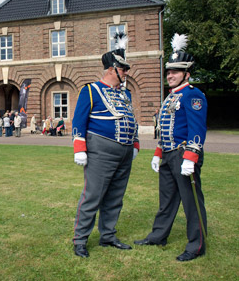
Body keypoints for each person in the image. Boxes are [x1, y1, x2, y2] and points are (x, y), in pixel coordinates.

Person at [134, 34, 208, 262]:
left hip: (183, 155)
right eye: (168, 72)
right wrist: (158, 154)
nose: (170, 75)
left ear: (186, 73)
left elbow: (197, 128)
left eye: (175, 71)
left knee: (191, 202)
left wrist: (191, 157)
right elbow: (164, 129)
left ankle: (197, 245)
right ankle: (158, 236)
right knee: (166, 200)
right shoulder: (170, 98)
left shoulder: (193, 95)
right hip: (168, 155)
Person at [71, 33, 139, 258]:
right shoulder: (90, 90)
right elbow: (79, 121)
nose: (126, 72)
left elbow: (130, 118)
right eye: (123, 69)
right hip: (101, 150)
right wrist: (79, 149)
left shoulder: (125, 94)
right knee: (93, 196)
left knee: (115, 196)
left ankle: (108, 235)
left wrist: (135, 142)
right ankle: (80, 239)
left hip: (125, 151)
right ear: (112, 69)